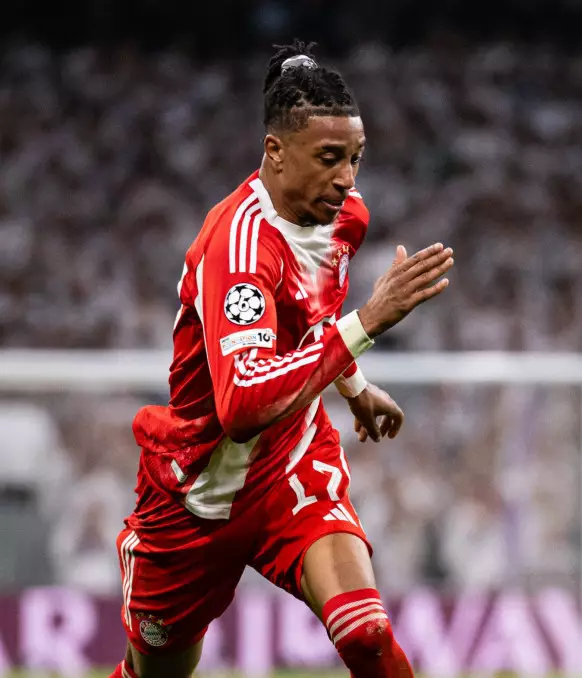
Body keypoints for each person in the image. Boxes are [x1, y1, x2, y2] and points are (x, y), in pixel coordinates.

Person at [109, 41, 454, 678]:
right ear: (275, 152)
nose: (347, 178)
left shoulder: (344, 218)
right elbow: (241, 406)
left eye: (355, 157)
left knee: (367, 635)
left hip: (290, 466)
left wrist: (354, 386)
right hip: (196, 493)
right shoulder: (239, 247)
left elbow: (311, 314)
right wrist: (368, 324)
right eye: (329, 158)